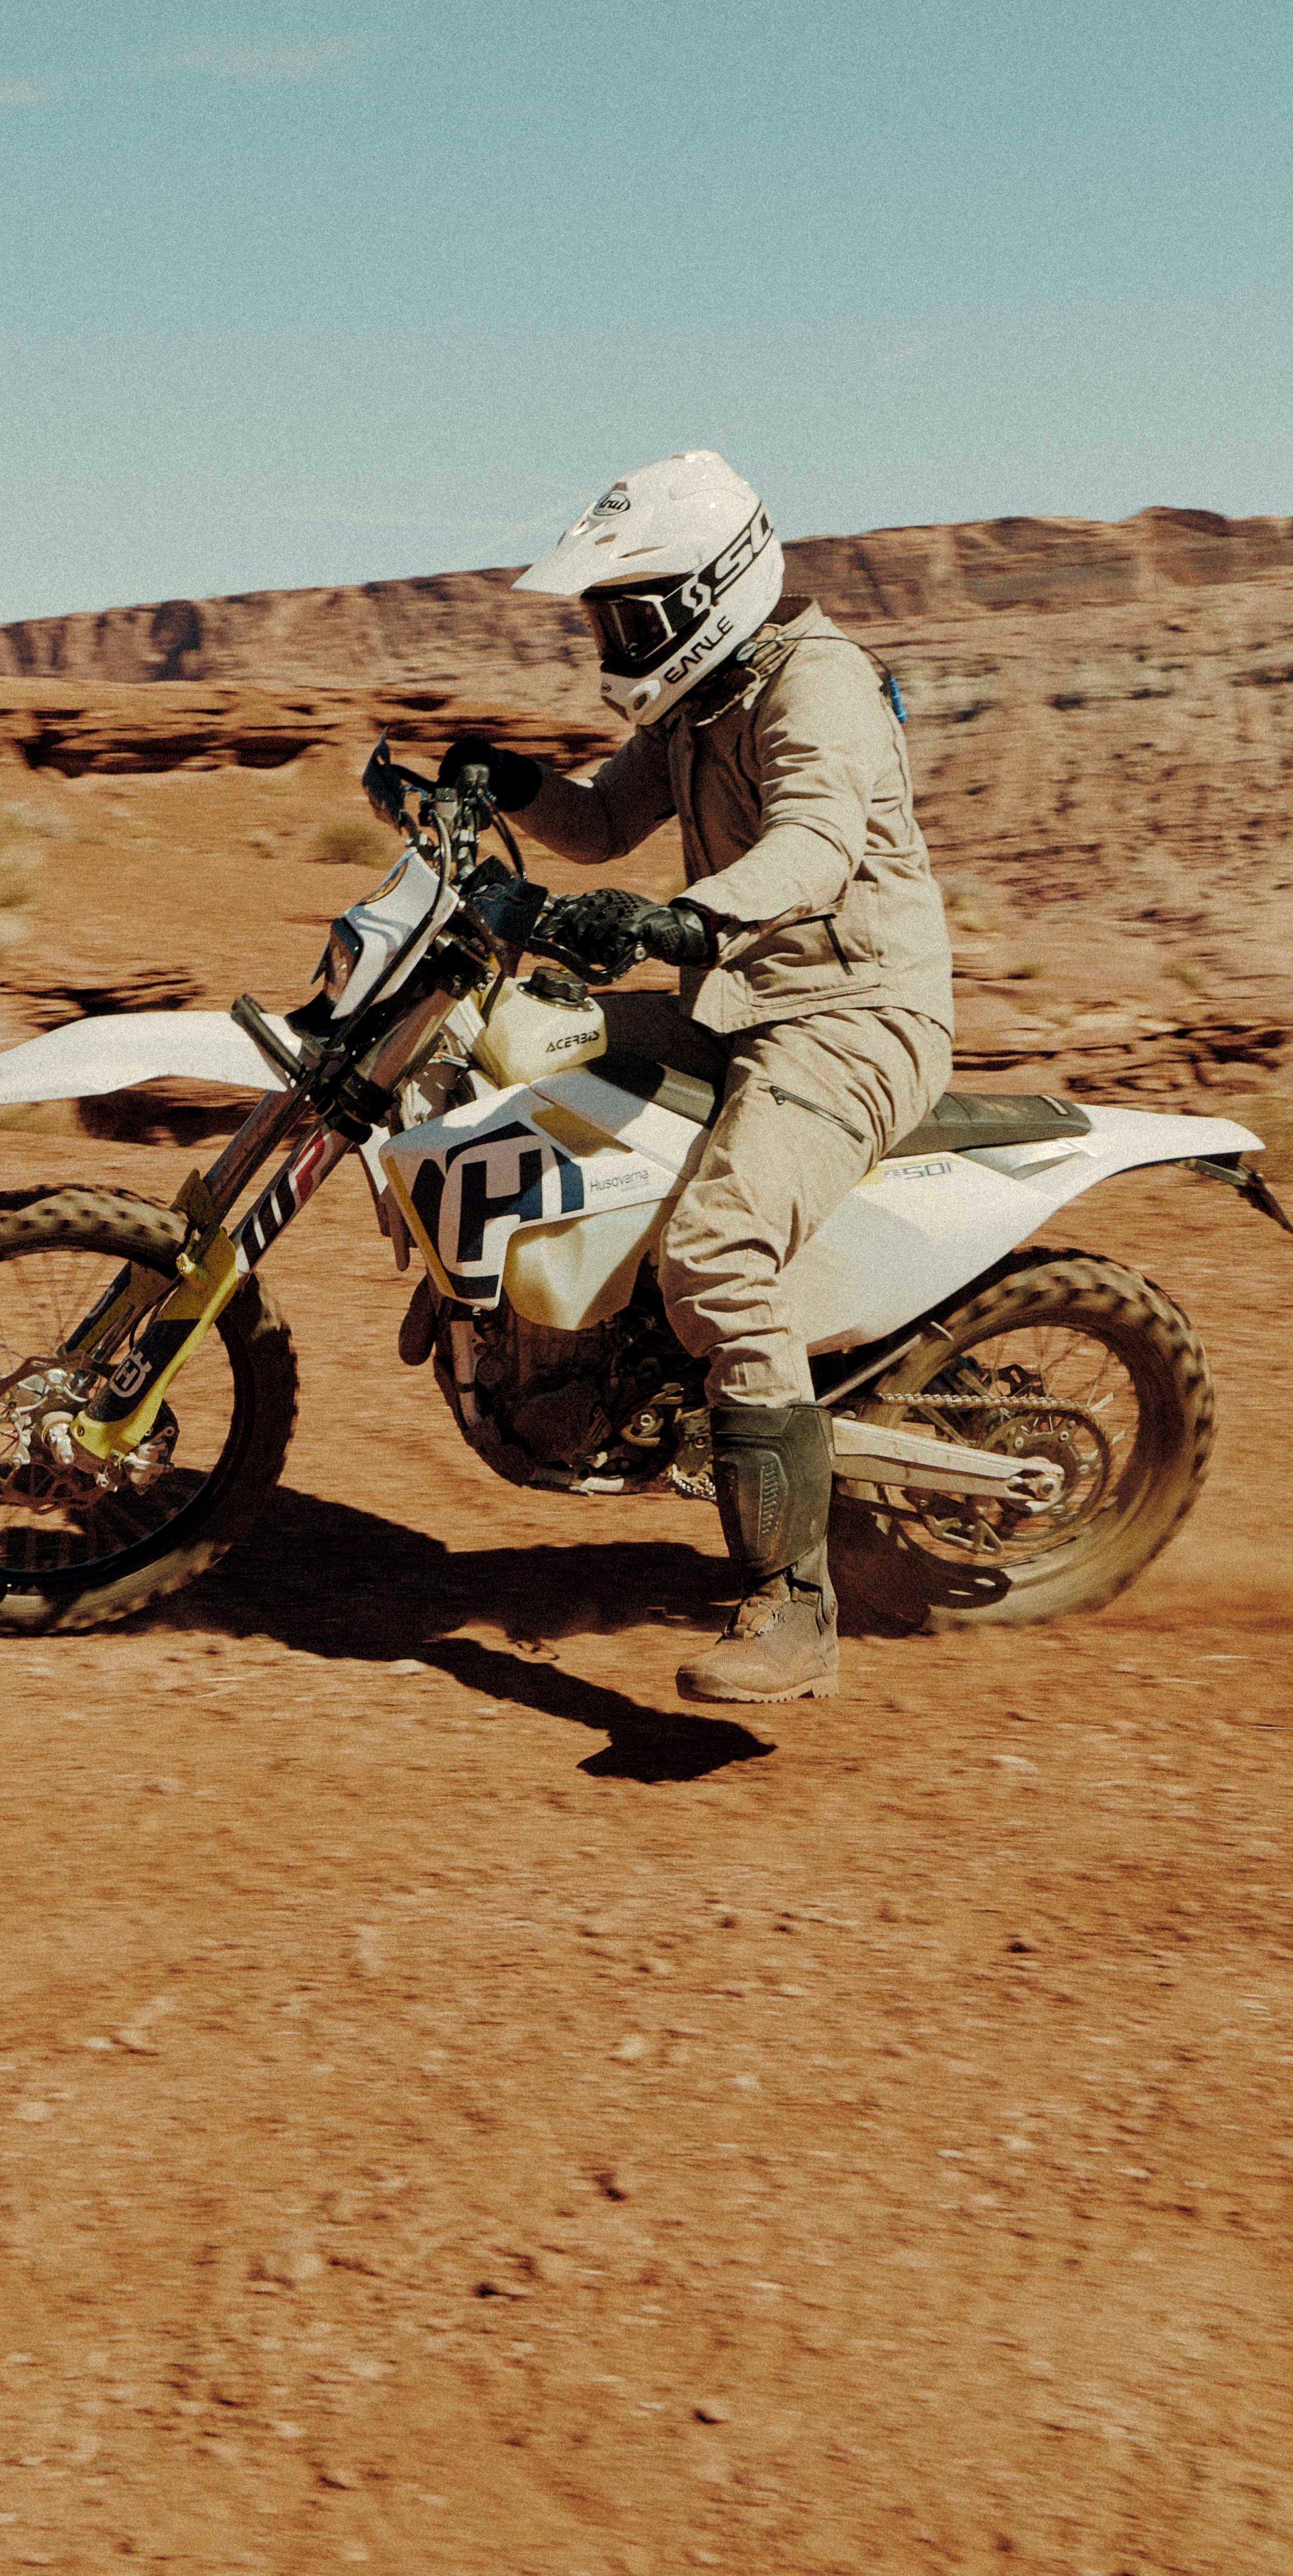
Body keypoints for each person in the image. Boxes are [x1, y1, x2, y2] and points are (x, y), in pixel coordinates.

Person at [438, 451, 955, 1705]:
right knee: (524, 1046)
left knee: (717, 1251)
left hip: (853, 1019)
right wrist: (508, 782)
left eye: (628, 614)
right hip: (738, 1003)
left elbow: (817, 849)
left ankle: (791, 1601)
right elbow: (603, 825)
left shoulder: (815, 686)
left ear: (706, 594)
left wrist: (682, 923)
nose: (613, 639)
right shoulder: (698, 702)